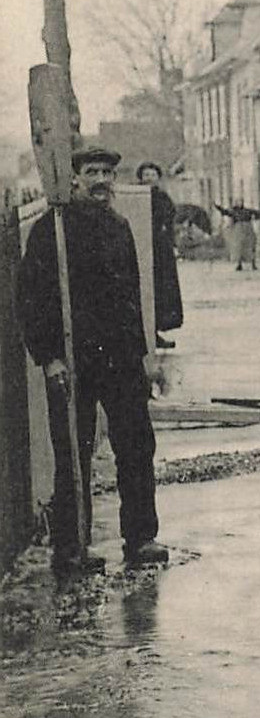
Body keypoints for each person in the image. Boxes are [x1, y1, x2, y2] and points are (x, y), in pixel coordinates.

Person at [19, 145, 169, 576]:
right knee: (73, 456)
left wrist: (144, 359)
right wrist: (48, 359)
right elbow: (32, 299)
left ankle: (141, 538)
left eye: (107, 172)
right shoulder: (52, 231)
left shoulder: (119, 227)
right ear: (75, 179)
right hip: (73, 364)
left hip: (120, 361)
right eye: (92, 173)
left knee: (137, 448)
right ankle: (71, 549)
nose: (102, 181)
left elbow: (131, 301)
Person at [135, 161, 183, 348]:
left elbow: (169, 223)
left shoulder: (163, 198)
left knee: (162, 289)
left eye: (152, 175)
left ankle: (156, 331)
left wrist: (172, 244)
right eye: (145, 175)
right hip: (143, 247)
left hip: (161, 250)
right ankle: (147, 334)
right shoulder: (137, 198)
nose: (149, 178)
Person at [216, 198, 260, 271]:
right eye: (238, 202)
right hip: (238, 229)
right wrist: (218, 207)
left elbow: (258, 213)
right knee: (239, 247)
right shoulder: (234, 211)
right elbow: (225, 212)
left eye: (240, 202)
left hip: (248, 229)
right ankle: (239, 264)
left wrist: (255, 217)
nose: (239, 204)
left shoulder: (248, 211)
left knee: (250, 246)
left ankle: (253, 264)